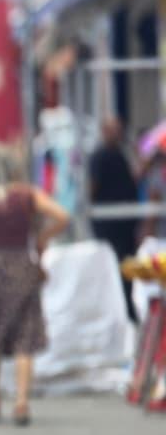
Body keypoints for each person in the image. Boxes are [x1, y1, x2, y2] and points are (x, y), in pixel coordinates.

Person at [0, 144, 70, 425]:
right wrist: (42, 239)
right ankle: (21, 402)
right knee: (25, 335)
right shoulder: (29, 195)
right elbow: (63, 216)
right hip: (23, 266)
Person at [88, 118, 141, 320]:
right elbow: (93, 187)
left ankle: (128, 309)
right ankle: (121, 312)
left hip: (125, 225)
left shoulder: (121, 154)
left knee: (127, 268)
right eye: (114, 130)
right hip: (110, 225)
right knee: (114, 268)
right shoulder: (100, 156)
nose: (118, 134)